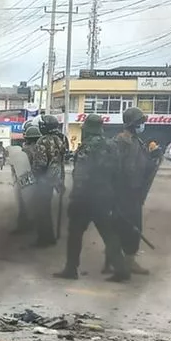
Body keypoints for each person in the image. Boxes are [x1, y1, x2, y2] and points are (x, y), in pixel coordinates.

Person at [54, 114, 128, 281]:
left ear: (88, 129)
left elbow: (81, 174)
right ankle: (121, 269)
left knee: (75, 233)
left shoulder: (87, 147)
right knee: (109, 234)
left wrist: (75, 197)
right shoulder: (112, 146)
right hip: (105, 197)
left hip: (85, 198)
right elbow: (118, 172)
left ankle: (71, 269)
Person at [111, 107, 159, 275]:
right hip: (122, 192)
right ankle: (117, 261)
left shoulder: (137, 141)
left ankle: (129, 260)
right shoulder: (120, 142)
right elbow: (115, 168)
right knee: (122, 227)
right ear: (132, 124)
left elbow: (143, 167)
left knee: (133, 228)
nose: (142, 125)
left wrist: (154, 157)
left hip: (134, 192)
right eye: (140, 123)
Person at [27, 114, 66, 246]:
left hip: (43, 180)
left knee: (41, 211)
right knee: (46, 210)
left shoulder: (42, 141)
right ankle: (49, 237)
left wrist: (33, 176)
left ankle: (44, 239)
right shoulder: (61, 139)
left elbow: (40, 163)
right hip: (56, 178)